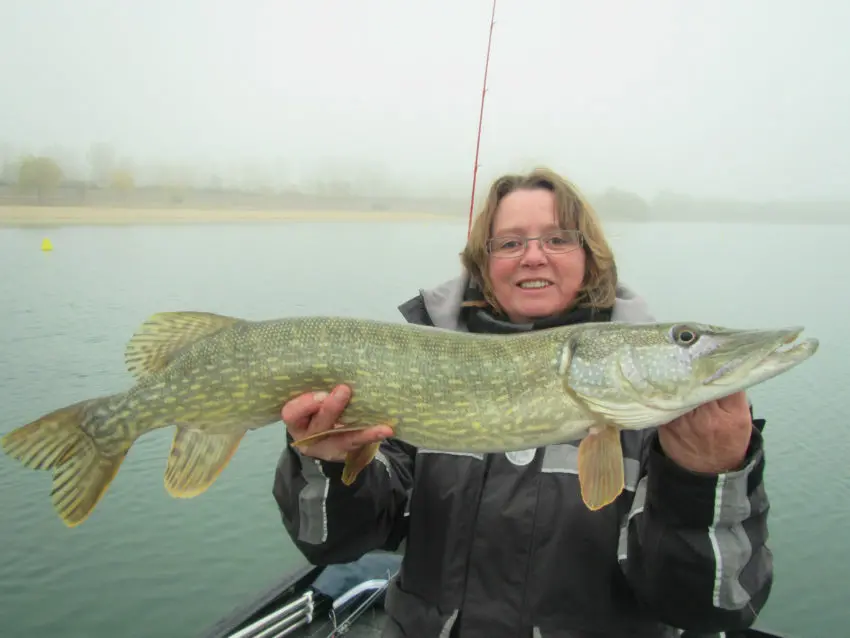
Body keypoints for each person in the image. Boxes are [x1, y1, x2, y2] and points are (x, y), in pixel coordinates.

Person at [272, 167, 773, 638]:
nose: (534, 256)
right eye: (510, 242)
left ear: (589, 256)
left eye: (558, 239)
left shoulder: (662, 422)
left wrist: (703, 483)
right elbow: (334, 543)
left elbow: (711, 607)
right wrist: (325, 465)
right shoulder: (417, 369)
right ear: (484, 265)